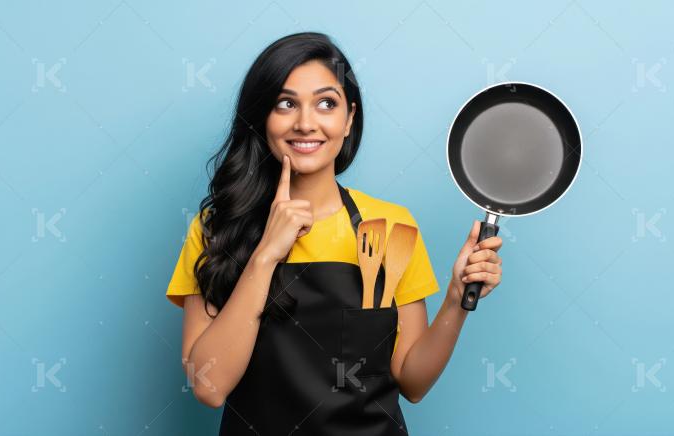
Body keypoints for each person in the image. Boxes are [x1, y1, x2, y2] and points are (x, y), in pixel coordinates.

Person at [166, 31, 503, 435]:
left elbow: (413, 383)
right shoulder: (216, 229)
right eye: (285, 104)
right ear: (262, 119)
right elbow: (209, 387)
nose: (306, 123)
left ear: (348, 120)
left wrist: (455, 300)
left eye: (326, 103)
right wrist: (265, 255)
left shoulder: (391, 226)